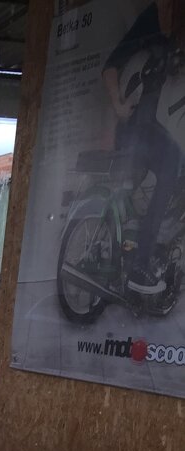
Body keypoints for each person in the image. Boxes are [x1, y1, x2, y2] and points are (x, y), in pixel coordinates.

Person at [103, 0, 185, 294]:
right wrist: (118, 105)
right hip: (136, 125)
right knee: (173, 164)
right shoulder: (153, 19)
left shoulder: (172, 32)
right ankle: (140, 264)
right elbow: (111, 66)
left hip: (150, 125)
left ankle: (154, 238)